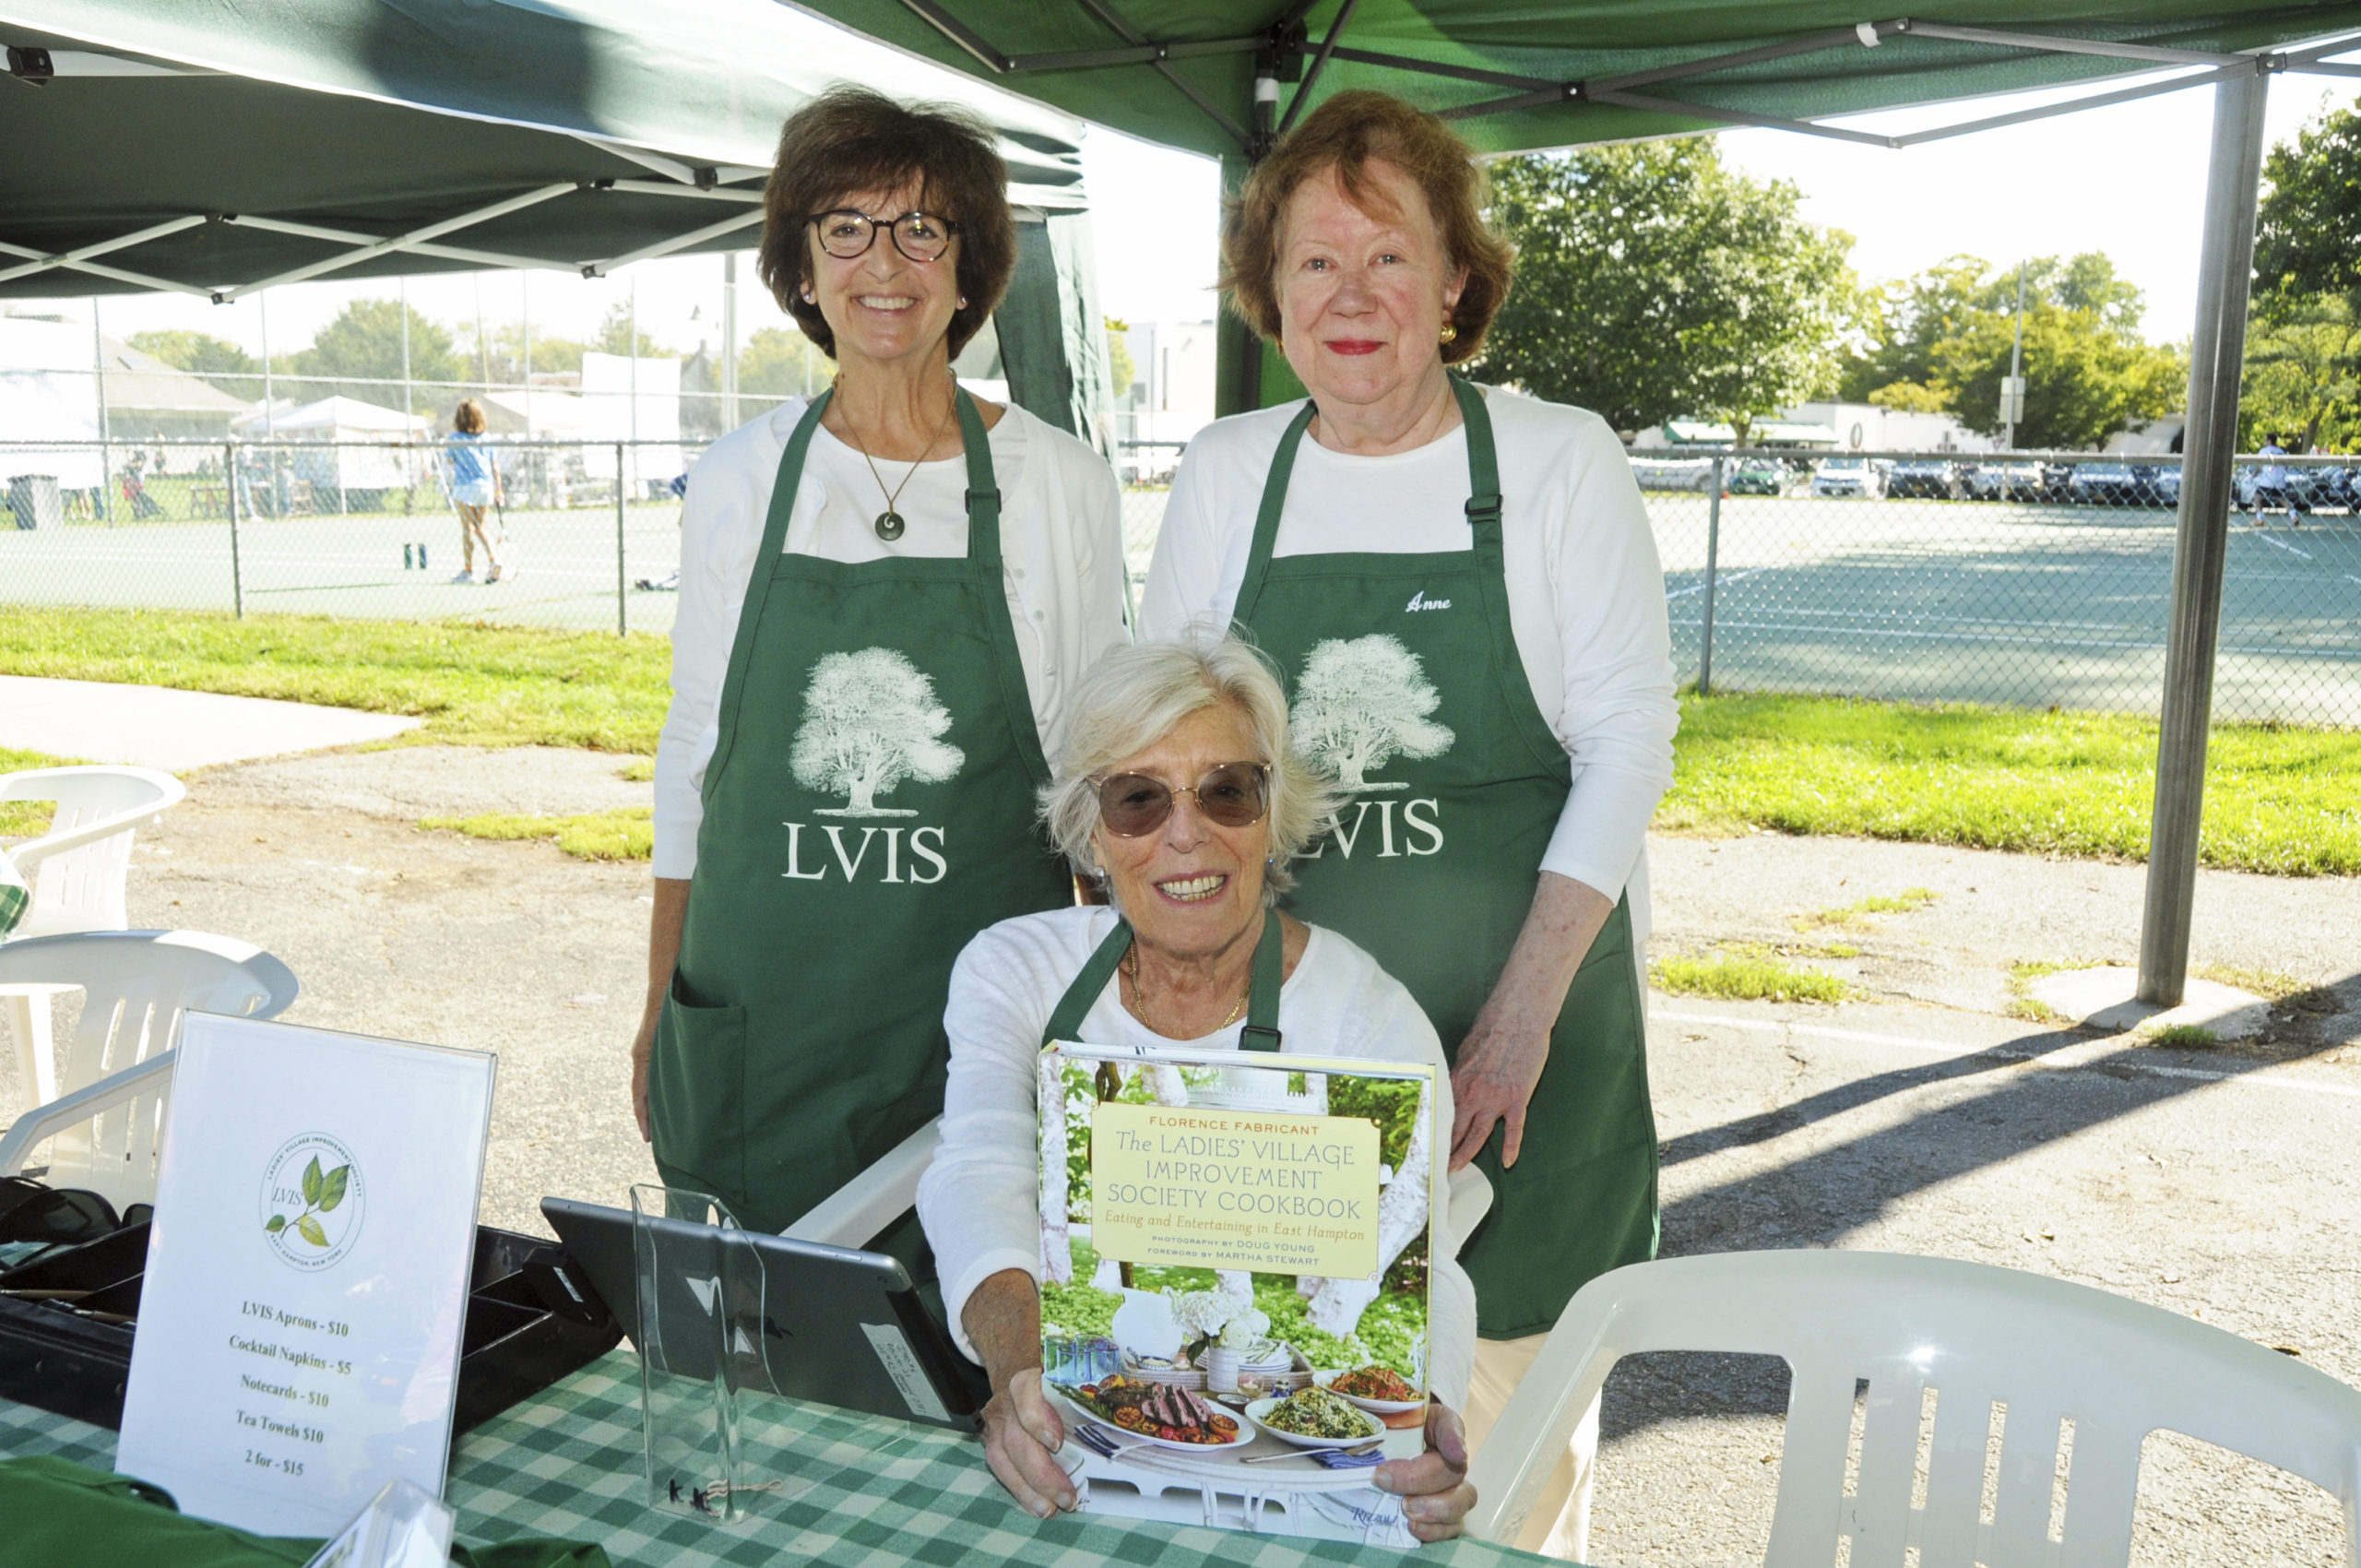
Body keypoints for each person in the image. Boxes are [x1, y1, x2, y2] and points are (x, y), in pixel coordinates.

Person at [1139, 89, 1677, 1552]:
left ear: (1456, 283)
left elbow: (1629, 746)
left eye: (1391, 259)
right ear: (1270, 294)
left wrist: (1515, 1021)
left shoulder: (1558, 460)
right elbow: (1167, 759)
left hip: (1516, 1057)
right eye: (1315, 263)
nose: (1352, 297)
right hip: (1287, 1071)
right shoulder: (1227, 473)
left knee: (1494, 1475)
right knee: (1285, 1452)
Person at [634, 86, 1129, 1244]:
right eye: (844, 227)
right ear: (801, 271)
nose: (883, 261)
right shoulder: (737, 479)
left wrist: (1120, 1004)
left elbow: (1096, 767)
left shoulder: (1061, 484)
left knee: (973, 1333)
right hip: (763, 1016)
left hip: (970, 1016)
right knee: (755, 1347)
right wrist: (660, 994)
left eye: (922, 227)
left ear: (970, 269)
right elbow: (694, 748)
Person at [918, 637, 1477, 1538]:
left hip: (1289, 1479)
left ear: (1270, 812)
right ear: (1092, 831)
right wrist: (1020, 1380)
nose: (1187, 833)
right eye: (1138, 798)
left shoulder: (1366, 1017)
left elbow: (1418, 1259)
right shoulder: (1013, 968)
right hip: (1073, 1447)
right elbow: (978, 1166)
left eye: (1226, 790)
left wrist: (1427, 1418)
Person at [445, 399, 505, 581]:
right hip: (485, 487)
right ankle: (494, 559)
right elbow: (495, 466)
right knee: (480, 527)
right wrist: (499, 490)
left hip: (465, 488)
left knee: (468, 528)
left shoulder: (455, 439)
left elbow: (449, 460)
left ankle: (468, 571)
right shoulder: (487, 438)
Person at [2251, 432, 2302, 528]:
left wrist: (2255, 474)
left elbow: (2259, 465)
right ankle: (2294, 516)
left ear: (2270, 441)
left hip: (2267, 480)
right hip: (2279, 481)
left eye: (2266, 440)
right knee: (2282, 499)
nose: (2265, 442)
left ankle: (2260, 518)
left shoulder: (2264, 451)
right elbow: (2286, 467)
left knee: (2257, 497)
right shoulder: (2281, 452)